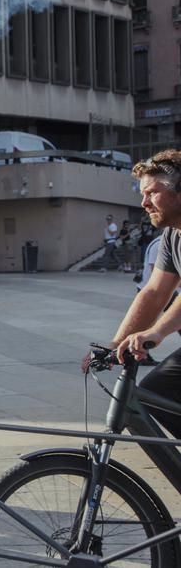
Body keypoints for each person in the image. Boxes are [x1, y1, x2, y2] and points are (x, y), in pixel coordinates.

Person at [110, 151, 181, 440]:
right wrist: (114, 345)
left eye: (152, 192)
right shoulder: (172, 235)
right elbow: (153, 292)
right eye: (143, 194)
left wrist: (156, 332)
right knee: (155, 392)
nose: (144, 202)